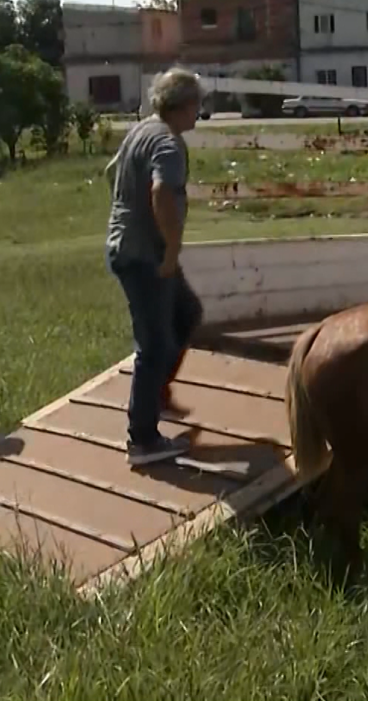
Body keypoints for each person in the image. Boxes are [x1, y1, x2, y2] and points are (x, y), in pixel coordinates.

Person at [105, 67, 206, 466]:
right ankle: (143, 439)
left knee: (187, 313)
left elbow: (113, 172)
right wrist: (171, 249)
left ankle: (156, 396)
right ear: (183, 105)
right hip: (144, 256)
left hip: (129, 246)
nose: (200, 111)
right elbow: (162, 191)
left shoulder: (143, 129)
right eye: (198, 104)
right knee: (155, 344)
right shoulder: (167, 143)